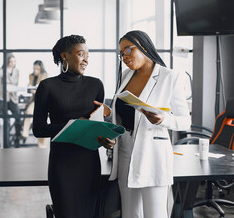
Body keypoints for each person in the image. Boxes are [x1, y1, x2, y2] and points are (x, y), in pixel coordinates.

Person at [97, 30, 191, 218]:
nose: (124, 56)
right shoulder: (126, 75)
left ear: (144, 46)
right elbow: (124, 116)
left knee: (154, 214)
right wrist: (109, 115)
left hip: (153, 155)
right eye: (121, 53)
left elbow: (185, 122)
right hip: (125, 153)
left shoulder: (170, 77)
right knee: (130, 214)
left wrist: (163, 119)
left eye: (128, 50)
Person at [33, 35, 114, 218]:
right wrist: (74, 125)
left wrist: (106, 139)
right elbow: (38, 128)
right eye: (80, 54)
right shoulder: (47, 86)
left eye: (87, 55)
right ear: (65, 56)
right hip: (62, 166)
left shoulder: (96, 85)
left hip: (89, 164)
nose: (85, 59)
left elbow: (97, 124)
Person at [21, 60, 48, 147]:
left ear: (41, 69)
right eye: (34, 68)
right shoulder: (31, 76)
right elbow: (29, 86)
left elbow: (44, 90)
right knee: (28, 112)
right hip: (34, 100)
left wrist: (35, 91)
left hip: (43, 101)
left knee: (43, 122)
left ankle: (42, 146)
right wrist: (29, 88)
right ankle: (25, 133)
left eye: (37, 69)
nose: (35, 70)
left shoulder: (44, 75)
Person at [0, 53, 21, 142]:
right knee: (7, 120)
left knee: (18, 115)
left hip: (13, 97)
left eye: (14, 61)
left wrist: (13, 89)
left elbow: (16, 85)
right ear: (6, 62)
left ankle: (18, 137)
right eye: (10, 61)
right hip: (2, 98)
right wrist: (4, 90)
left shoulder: (17, 71)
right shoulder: (0, 71)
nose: (12, 63)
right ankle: (6, 142)